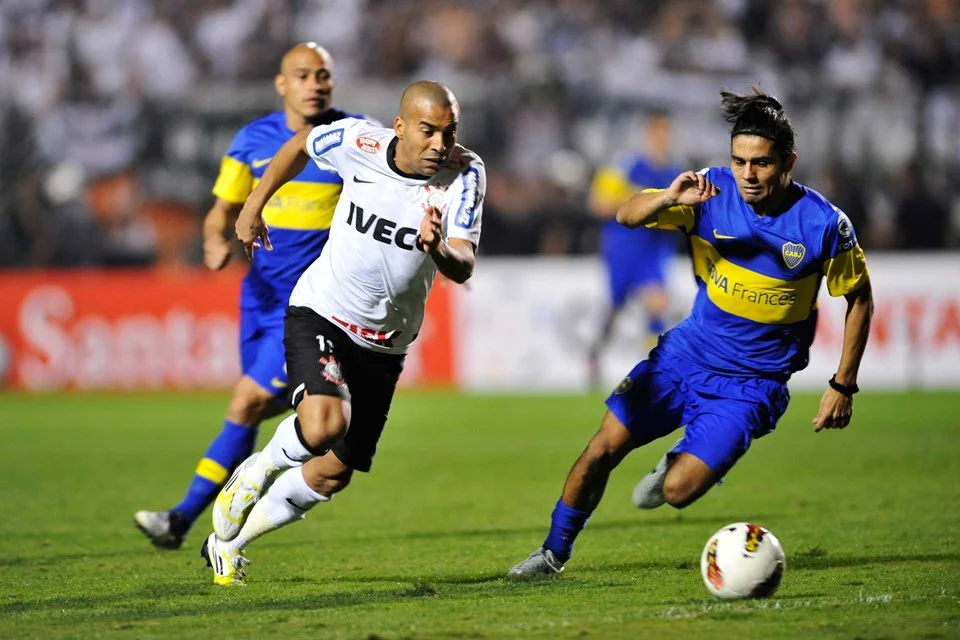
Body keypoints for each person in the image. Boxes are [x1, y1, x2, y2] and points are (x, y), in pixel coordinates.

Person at [508, 88, 873, 576]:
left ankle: (680, 459)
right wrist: (668, 197)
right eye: (739, 161)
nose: (748, 174)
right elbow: (626, 214)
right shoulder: (710, 193)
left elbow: (860, 299)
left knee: (677, 492)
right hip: (684, 357)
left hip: (751, 384)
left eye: (761, 163)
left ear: (789, 161)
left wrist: (842, 384)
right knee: (601, 448)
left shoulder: (824, 224)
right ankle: (551, 553)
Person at [199, 81, 485, 585]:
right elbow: (297, 145)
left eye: (449, 131)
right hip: (322, 312)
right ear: (400, 128)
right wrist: (252, 206)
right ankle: (258, 469)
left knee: (332, 472)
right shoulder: (359, 143)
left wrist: (438, 248)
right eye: (428, 131)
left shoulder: (465, 173)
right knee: (325, 422)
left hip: (386, 343)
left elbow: (462, 264)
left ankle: (228, 543)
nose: (441, 144)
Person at [134, 43, 366, 549]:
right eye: (302, 75)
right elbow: (221, 210)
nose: (315, 84)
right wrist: (214, 239)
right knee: (253, 410)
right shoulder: (251, 140)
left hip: (309, 306)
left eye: (323, 75)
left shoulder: (352, 138)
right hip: (258, 298)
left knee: (247, 402)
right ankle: (221, 519)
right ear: (282, 84)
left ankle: (185, 517)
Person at [587, 113, 683, 386]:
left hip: (654, 249)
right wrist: (637, 200)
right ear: (647, 135)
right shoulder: (625, 166)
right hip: (622, 248)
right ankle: (595, 350)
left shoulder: (674, 172)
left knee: (657, 302)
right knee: (615, 307)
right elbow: (598, 203)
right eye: (655, 133)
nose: (660, 139)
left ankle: (653, 371)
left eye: (664, 133)